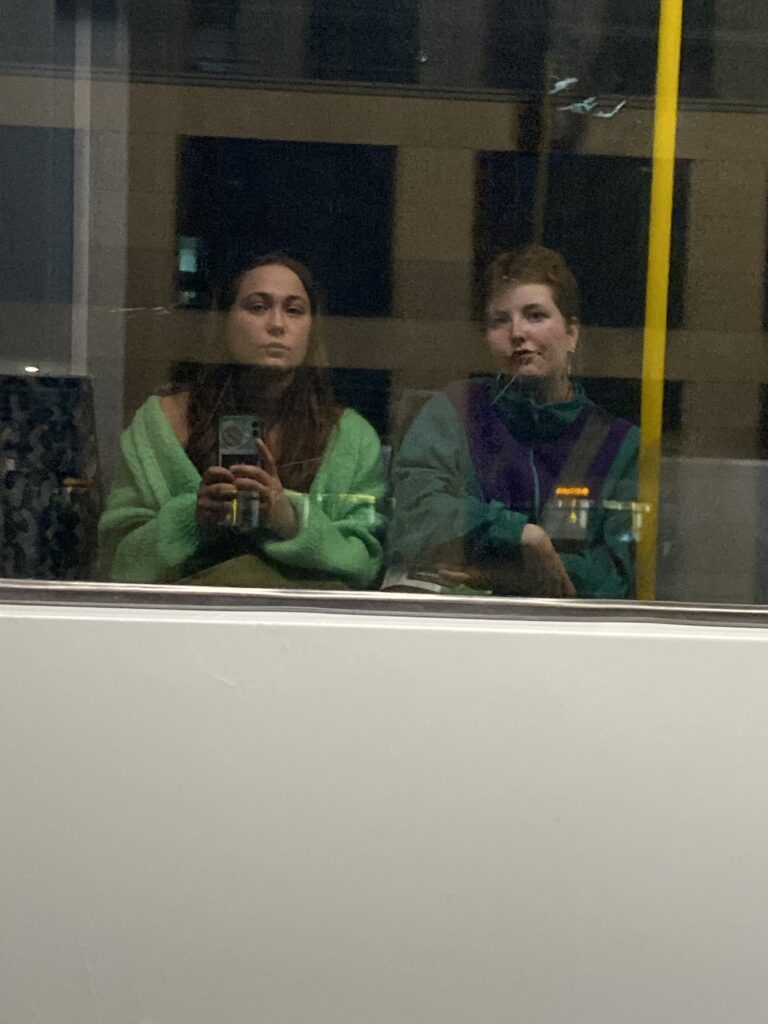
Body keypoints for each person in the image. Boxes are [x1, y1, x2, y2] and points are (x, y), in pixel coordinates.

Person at [99, 252, 386, 588]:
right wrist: (192, 519)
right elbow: (117, 559)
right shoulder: (161, 427)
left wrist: (289, 518)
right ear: (224, 322)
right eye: (257, 307)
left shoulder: (350, 438)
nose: (277, 324)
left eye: (294, 310)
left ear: (312, 330)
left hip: (304, 618)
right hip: (186, 616)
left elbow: (366, 561)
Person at [388, 244, 639, 598]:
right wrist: (522, 535)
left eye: (535, 315)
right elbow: (414, 517)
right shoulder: (455, 410)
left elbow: (615, 579)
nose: (517, 332)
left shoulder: (618, 443)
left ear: (572, 334)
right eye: (500, 320)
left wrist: (500, 574)